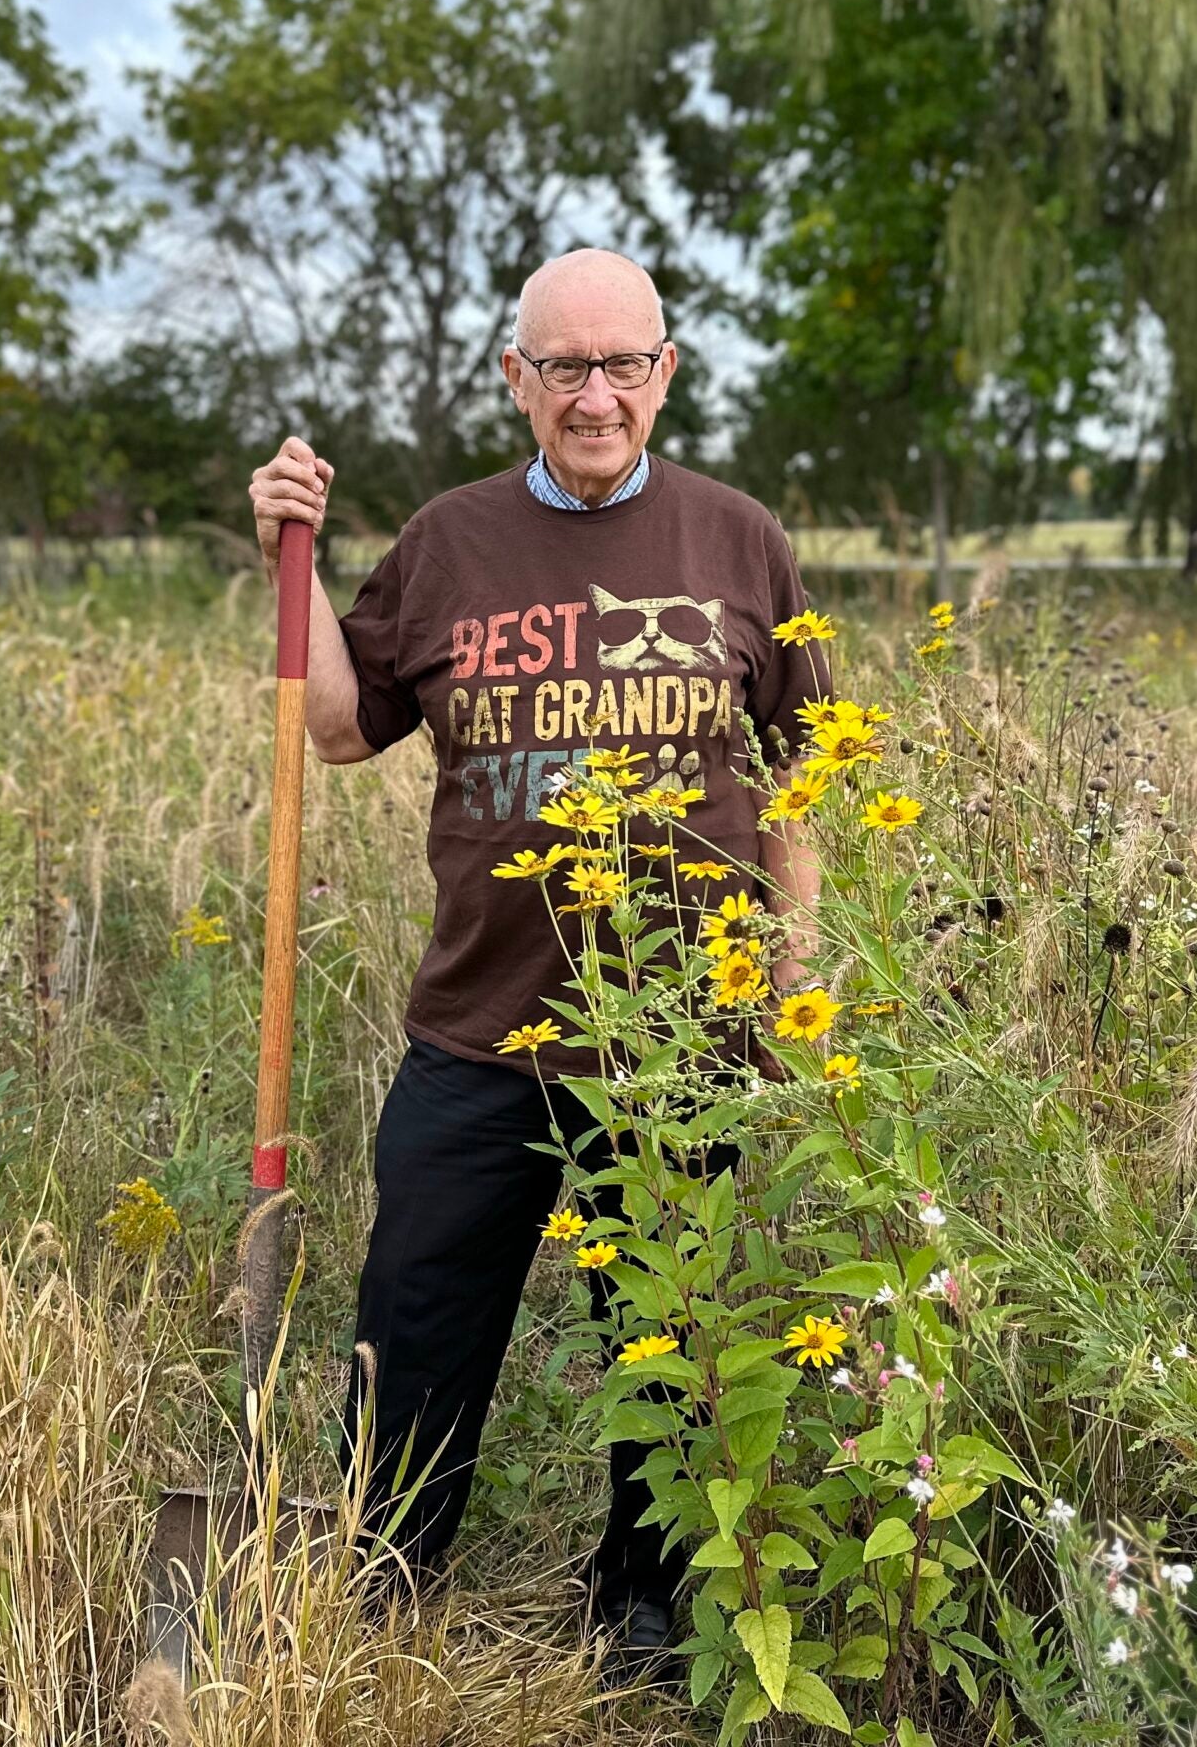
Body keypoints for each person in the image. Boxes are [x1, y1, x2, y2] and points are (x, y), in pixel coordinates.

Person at [245, 247, 832, 1682]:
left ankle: (639, 1607)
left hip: (682, 1030)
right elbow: (333, 724)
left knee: (667, 1333)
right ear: (517, 379)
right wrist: (291, 564)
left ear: (666, 374)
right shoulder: (449, 543)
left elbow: (805, 760)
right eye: (564, 366)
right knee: (420, 1316)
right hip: (482, 1025)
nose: (595, 394)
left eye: (623, 363)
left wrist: (801, 957)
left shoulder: (740, 540)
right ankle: (383, 1579)